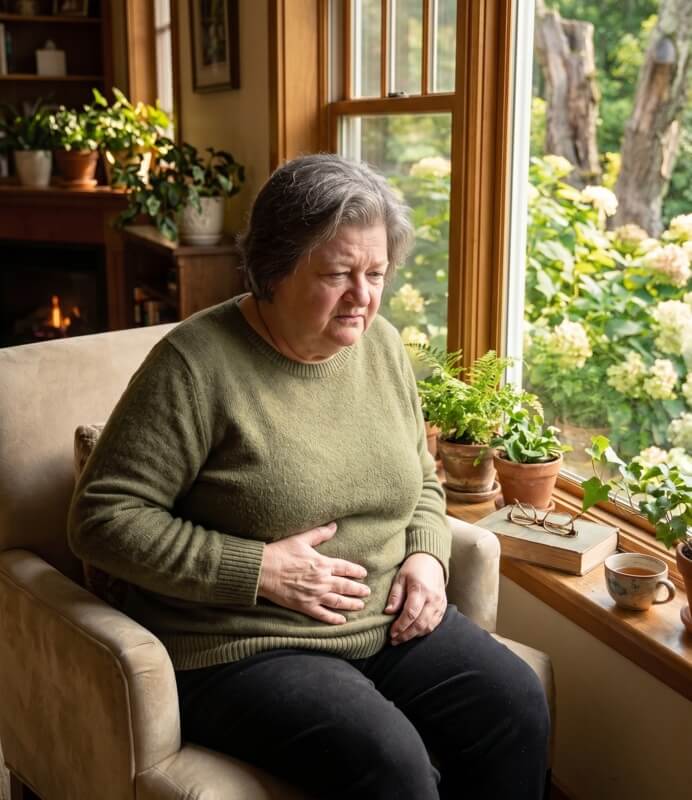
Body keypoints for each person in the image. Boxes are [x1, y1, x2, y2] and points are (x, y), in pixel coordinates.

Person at [68, 154, 550, 799]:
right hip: (243, 642)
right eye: (338, 274)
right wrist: (257, 569)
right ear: (274, 270)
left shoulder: (380, 346)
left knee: (514, 702)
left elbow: (423, 479)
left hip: (386, 618)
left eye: (376, 273)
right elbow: (102, 520)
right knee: (391, 764)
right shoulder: (193, 366)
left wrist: (429, 557)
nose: (364, 297)